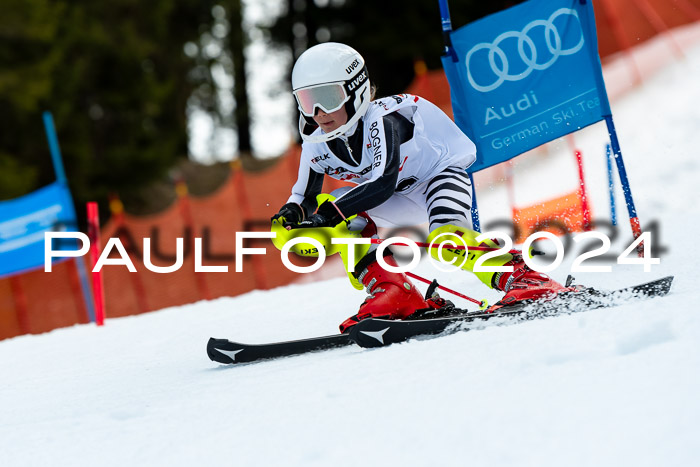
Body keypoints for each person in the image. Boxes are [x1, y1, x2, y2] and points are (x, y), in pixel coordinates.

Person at [272, 42, 575, 333]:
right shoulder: (316, 143)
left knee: (447, 241)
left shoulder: (383, 120)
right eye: (308, 101)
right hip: (398, 199)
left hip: (438, 177)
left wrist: (327, 215)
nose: (319, 112)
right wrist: (288, 219)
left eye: (329, 97)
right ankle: (394, 290)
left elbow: (382, 182)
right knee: (343, 216)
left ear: (356, 90)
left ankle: (524, 278)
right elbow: (305, 197)